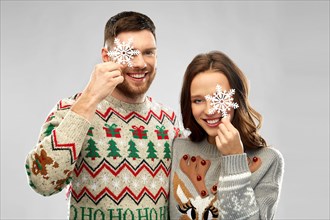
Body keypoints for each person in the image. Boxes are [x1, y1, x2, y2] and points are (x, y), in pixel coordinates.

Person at [25, 11, 182, 219]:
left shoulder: (168, 120)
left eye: (148, 52)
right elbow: (42, 182)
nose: (141, 63)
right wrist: (90, 97)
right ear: (106, 57)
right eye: (129, 52)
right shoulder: (71, 109)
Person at [169, 51, 284, 220]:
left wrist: (234, 160)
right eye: (198, 100)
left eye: (218, 98)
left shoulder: (268, 160)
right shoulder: (177, 148)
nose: (209, 110)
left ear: (237, 97)